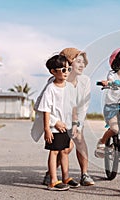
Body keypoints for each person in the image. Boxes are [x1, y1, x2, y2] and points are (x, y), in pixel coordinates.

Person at [40, 48, 94, 186]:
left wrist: (77, 125)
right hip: (56, 122)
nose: (82, 65)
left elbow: (81, 106)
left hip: (71, 120)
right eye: (78, 61)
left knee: (78, 140)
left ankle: (84, 174)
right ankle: (51, 175)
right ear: (68, 62)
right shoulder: (52, 83)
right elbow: (43, 108)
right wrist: (53, 123)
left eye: (84, 62)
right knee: (61, 149)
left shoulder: (84, 81)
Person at [37, 54, 80, 191]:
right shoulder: (50, 88)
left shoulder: (70, 87)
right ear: (53, 71)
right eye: (63, 69)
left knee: (65, 151)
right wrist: (47, 128)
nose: (66, 72)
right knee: (54, 152)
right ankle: (53, 181)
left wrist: (74, 124)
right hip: (54, 127)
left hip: (66, 126)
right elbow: (45, 109)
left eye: (68, 69)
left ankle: (66, 177)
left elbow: (73, 107)